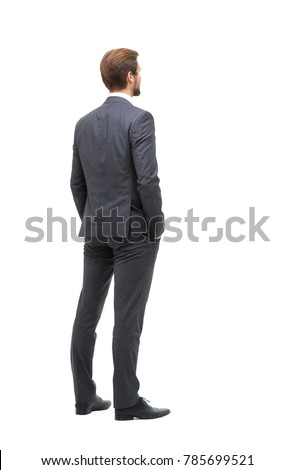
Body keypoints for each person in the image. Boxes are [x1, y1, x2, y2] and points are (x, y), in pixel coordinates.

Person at [70, 48, 170, 420]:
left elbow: (76, 182)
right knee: (127, 318)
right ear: (129, 77)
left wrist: (92, 218)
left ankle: (84, 399)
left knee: (86, 316)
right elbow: (147, 178)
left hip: (96, 230)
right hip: (133, 233)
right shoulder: (140, 119)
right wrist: (156, 224)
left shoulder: (83, 123)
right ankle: (126, 402)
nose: (140, 76)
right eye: (139, 71)